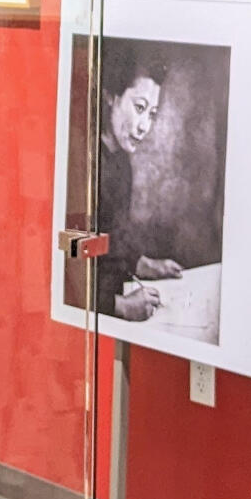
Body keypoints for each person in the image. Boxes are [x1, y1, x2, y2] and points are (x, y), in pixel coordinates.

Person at [96, 58, 185, 321]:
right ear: (110, 97)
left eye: (152, 114)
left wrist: (144, 265)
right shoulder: (83, 162)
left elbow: (113, 241)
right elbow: (64, 273)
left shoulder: (122, 163)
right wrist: (119, 306)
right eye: (139, 108)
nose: (145, 126)